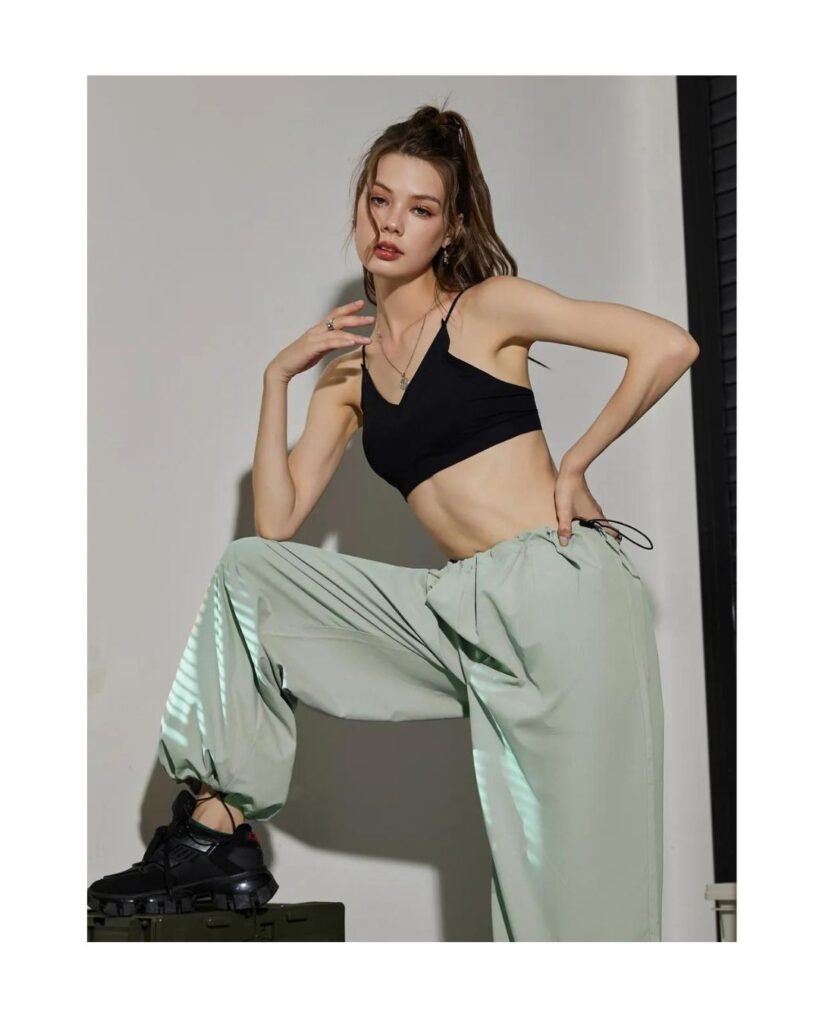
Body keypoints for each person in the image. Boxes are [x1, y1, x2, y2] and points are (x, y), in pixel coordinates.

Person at [88, 102, 699, 940]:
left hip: (560, 596)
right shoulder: (349, 377)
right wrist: (276, 378)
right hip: (463, 606)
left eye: (419, 209)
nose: (391, 224)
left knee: (569, 902)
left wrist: (575, 462)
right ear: (360, 205)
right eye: (380, 200)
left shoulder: (487, 309)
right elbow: (276, 520)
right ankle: (213, 834)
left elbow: (667, 345)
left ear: (449, 229)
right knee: (248, 574)